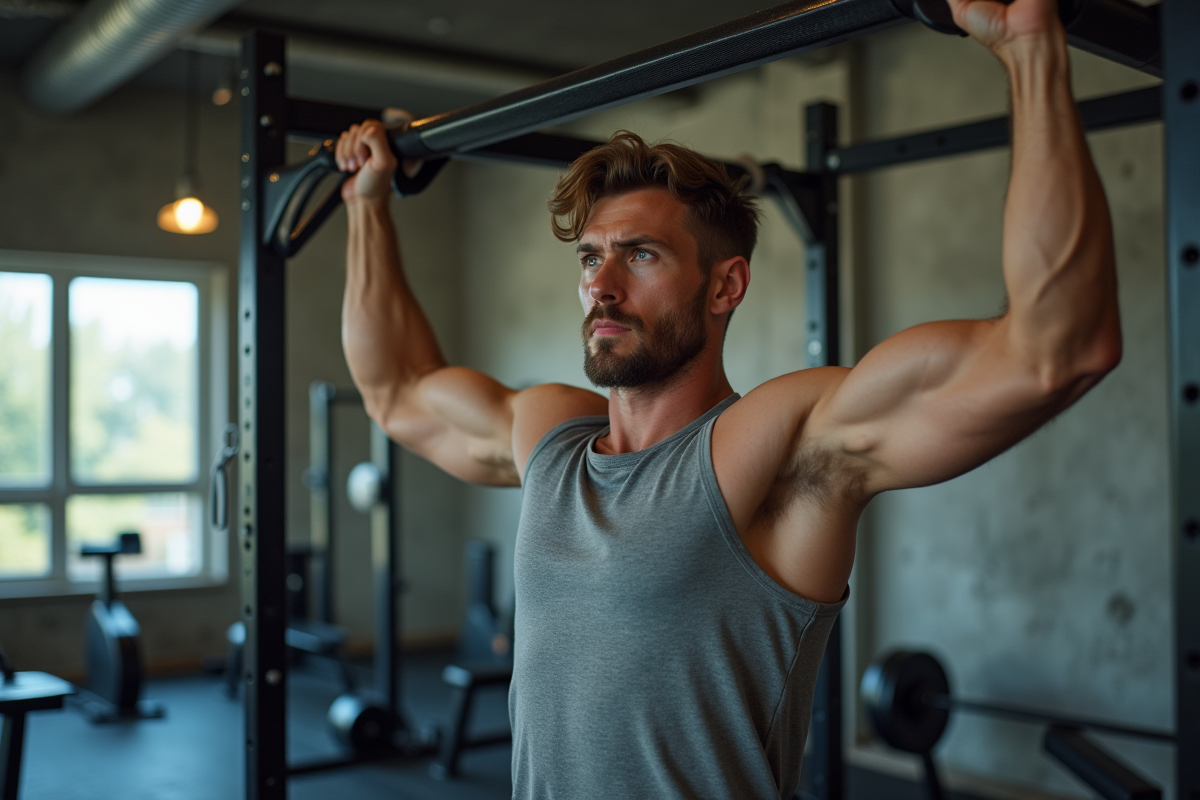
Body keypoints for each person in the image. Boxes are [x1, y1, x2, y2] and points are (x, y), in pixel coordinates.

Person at [333, 0, 1121, 792]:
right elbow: (394, 390)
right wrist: (368, 204)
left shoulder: (780, 452)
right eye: (589, 259)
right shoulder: (548, 436)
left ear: (726, 284)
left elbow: (1056, 349)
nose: (601, 285)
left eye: (638, 255)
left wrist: (1029, 46)